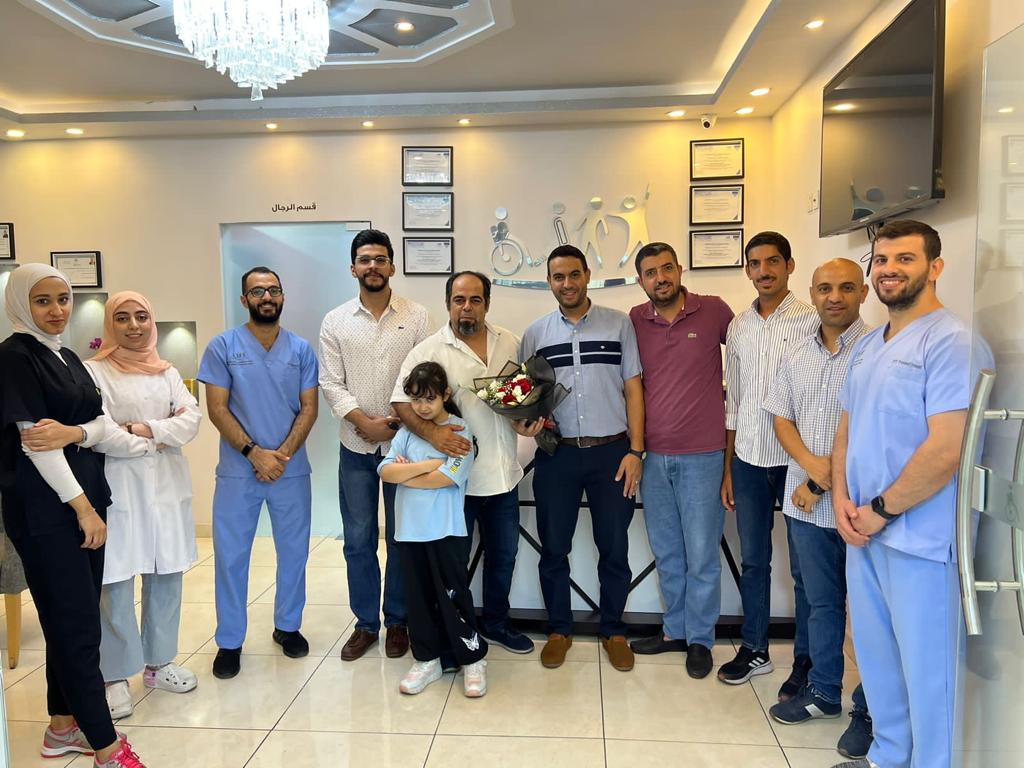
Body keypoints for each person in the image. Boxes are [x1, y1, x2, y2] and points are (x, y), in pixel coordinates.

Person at [831, 220, 990, 768]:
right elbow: (846, 428)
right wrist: (841, 501)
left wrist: (879, 511)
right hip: (864, 533)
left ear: (934, 267)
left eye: (904, 259)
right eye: (881, 260)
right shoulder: (869, 344)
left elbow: (947, 449)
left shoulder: (952, 342)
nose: (889, 270)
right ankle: (888, 757)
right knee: (879, 666)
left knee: (929, 676)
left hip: (920, 540)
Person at [0, 264, 149, 768]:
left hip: (85, 505)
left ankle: (62, 727)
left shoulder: (65, 356)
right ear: (21, 303)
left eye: (63, 299)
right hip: (49, 512)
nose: (56, 310)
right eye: (43, 301)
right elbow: (35, 445)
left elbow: (102, 425)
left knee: (72, 619)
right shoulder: (15, 358)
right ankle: (107, 747)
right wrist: (82, 508)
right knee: (78, 628)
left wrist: (77, 433)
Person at [392, 271, 541, 656]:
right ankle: (455, 632)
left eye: (475, 300)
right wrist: (433, 434)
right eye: (459, 300)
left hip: (503, 477)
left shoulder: (509, 342)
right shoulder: (428, 350)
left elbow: (518, 402)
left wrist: (526, 421)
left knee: (503, 558)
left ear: (487, 304)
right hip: (454, 483)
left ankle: (497, 624)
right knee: (453, 567)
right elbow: (401, 403)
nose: (467, 307)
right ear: (448, 304)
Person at [521, 244, 644, 672]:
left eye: (574, 274)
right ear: (549, 282)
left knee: (614, 547)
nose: (567, 283)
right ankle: (559, 629)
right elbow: (526, 399)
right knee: (554, 547)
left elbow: (634, 390)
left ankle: (614, 630)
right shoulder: (535, 334)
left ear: (587, 275)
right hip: (557, 455)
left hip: (613, 453)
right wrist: (527, 423)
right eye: (559, 277)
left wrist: (636, 450)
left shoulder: (619, 324)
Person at [761, 259, 870, 728]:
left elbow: (873, 429)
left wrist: (820, 482)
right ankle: (824, 691)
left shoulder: (877, 351)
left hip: (860, 507)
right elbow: (781, 418)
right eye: (825, 288)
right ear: (812, 293)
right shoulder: (797, 353)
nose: (835, 297)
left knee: (869, 611)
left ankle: (870, 706)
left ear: (863, 293)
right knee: (820, 603)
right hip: (804, 506)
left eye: (846, 287)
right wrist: (809, 468)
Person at [198, 266, 319, 680]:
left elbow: (309, 408)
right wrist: (254, 454)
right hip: (238, 471)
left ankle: (288, 626)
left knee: (294, 553)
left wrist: (280, 456)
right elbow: (217, 409)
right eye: (257, 291)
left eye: (273, 290)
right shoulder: (223, 347)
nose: (266, 297)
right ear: (244, 299)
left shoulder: (301, 349)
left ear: (282, 296)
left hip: (290, 470)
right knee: (231, 557)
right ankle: (230, 641)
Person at [87, 292, 202, 718]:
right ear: (110, 324)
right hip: (118, 486)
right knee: (115, 581)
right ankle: (116, 675)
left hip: (166, 487)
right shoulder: (94, 372)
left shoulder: (167, 371)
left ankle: (159, 663)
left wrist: (138, 429)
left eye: (141, 317)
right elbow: (101, 431)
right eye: (122, 318)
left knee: (166, 574)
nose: (134, 326)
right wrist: (157, 436)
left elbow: (191, 420)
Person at [319, 229, 429, 661]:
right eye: (365, 259)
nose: (373, 266)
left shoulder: (417, 316)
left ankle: (398, 620)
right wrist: (363, 421)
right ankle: (365, 624)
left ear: (392, 266)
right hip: (355, 447)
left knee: (402, 537)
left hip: (404, 447)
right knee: (358, 539)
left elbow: (424, 377)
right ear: (353, 268)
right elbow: (330, 382)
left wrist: (394, 424)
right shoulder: (335, 321)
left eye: (380, 259)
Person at [628, 242, 734, 679]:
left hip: (704, 456)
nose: (660, 278)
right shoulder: (636, 319)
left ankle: (700, 639)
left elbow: (748, 363)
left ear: (680, 269)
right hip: (654, 457)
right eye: (651, 272)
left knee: (702, 555)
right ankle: (674, 630)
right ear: (641, 281)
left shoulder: (714, 311)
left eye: (666, 268)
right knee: (668, 551)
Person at [719, 231, 817, 691]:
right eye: (755, 264)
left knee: (804, 566)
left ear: (789, 265)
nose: (764, 271)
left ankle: (807, 660)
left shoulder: (813, 320)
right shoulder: (739, 326)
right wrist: (728, 467)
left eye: (773, 261)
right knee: (754, 560)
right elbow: (733, 403)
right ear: (747, 271)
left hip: (798, 461)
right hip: (749, 458)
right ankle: (754, 648)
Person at [379, 362, 487, 697]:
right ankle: (427, 659)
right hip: (409, 530)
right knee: (419, 599)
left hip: (445, 529)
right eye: (416, 399)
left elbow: (446, 478)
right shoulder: (406, 433)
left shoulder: (459, 430)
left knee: (454, 595)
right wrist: (427, 465)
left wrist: (408, 473)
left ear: (445, 395)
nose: (422, 406)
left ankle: (472, 659)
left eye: (429, 398)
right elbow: (385, 472)